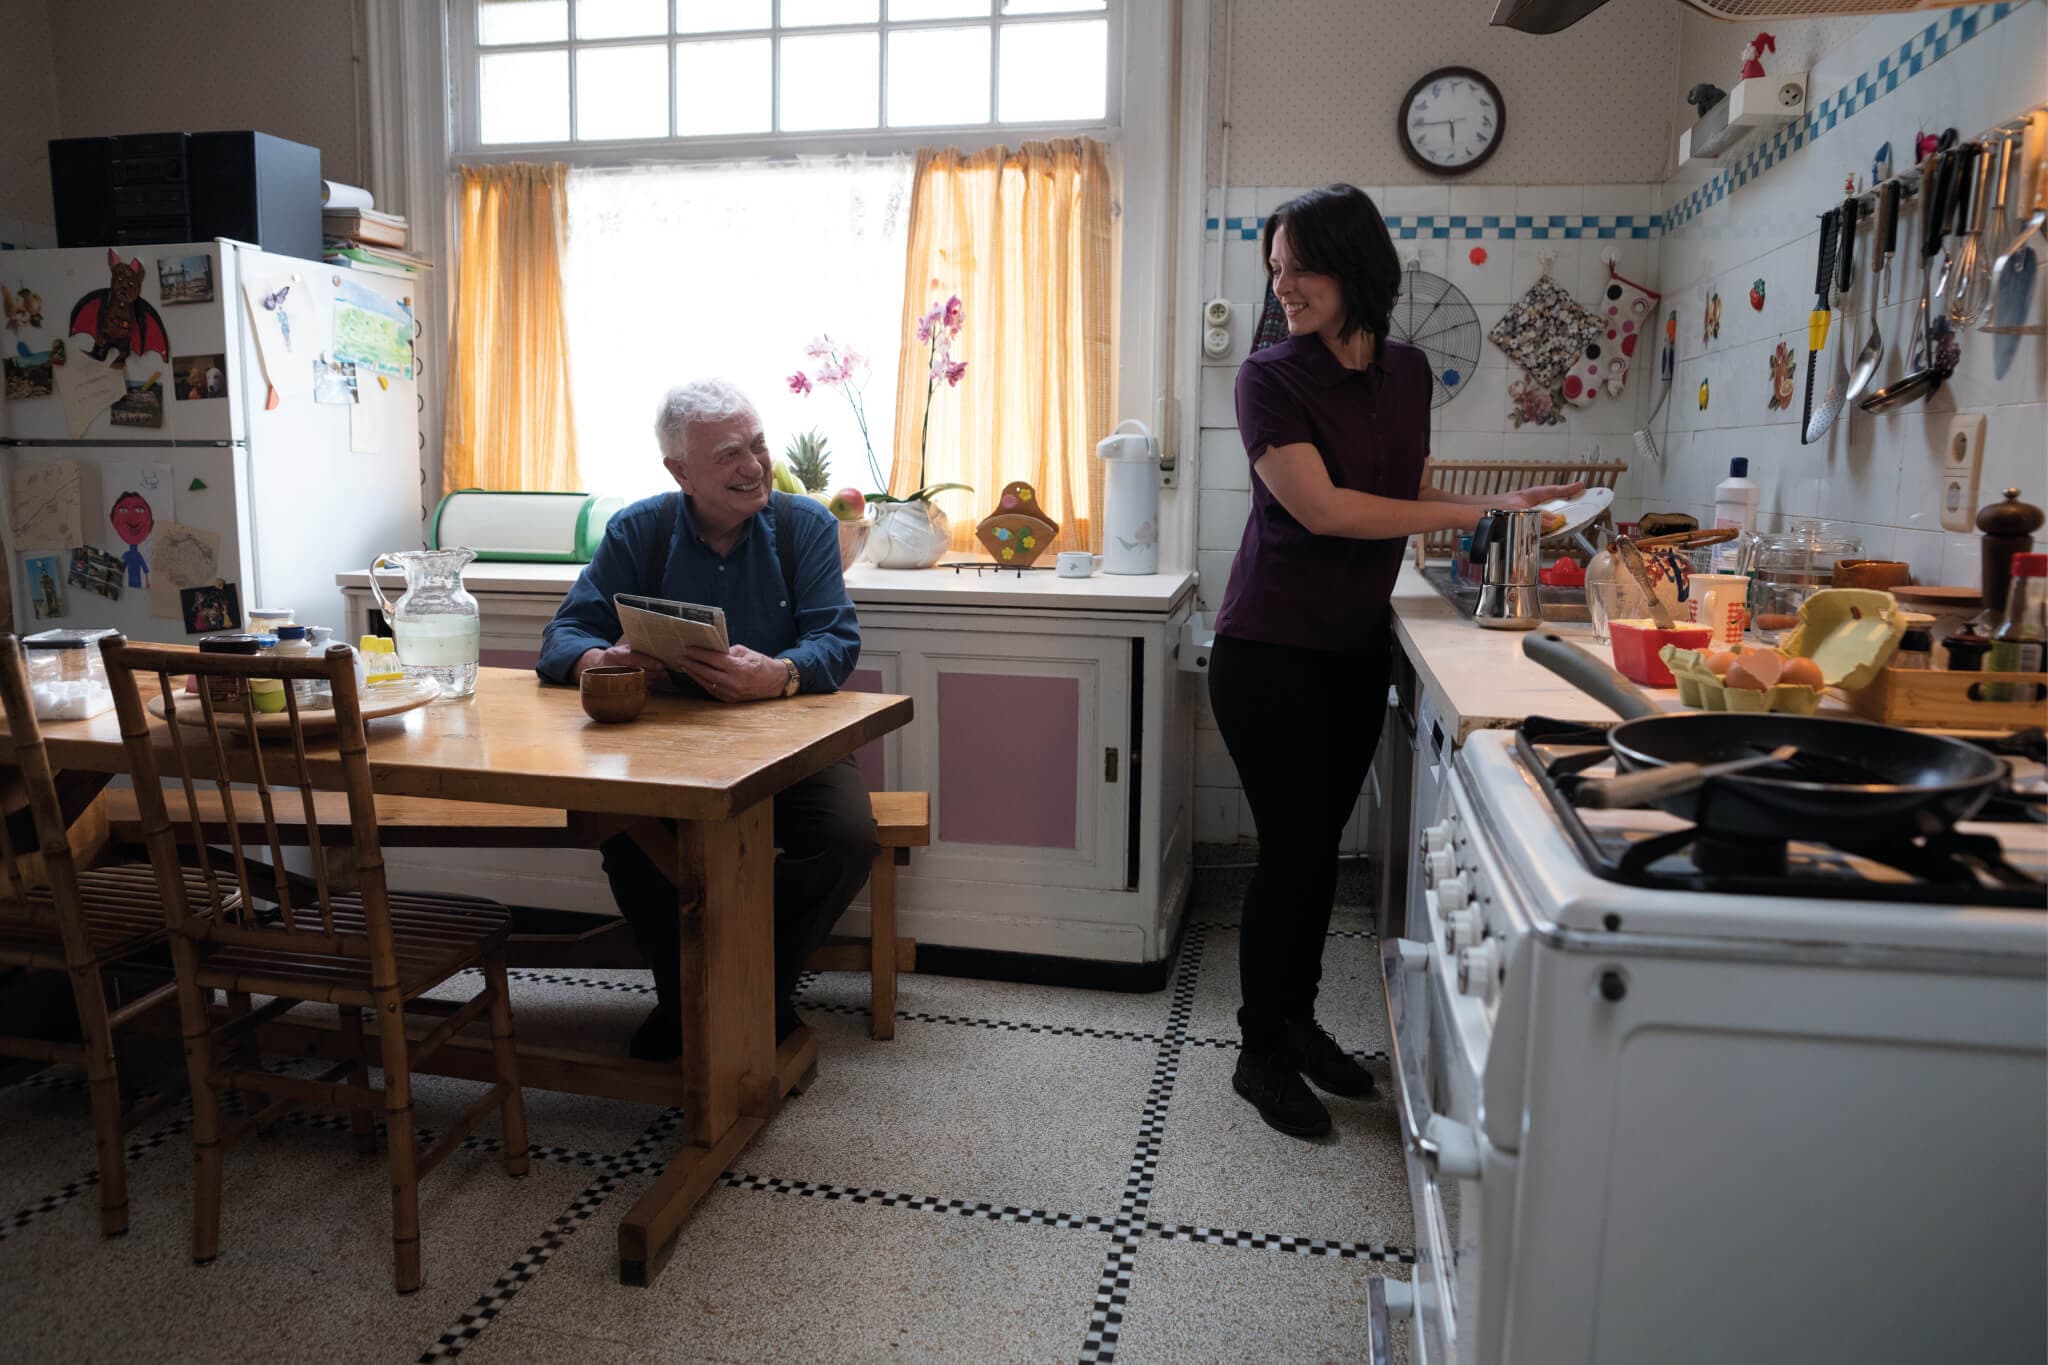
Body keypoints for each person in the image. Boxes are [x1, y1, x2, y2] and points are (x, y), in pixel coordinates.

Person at [1210, 185, 1581, 1140]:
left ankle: (1295, 1026)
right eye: (1276, 267)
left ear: (1356, 266)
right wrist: (1479, 517)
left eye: (1302, 265)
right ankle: (1260, 1050)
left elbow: (1401, 484)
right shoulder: (1267, 378)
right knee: (1290, 852)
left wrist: (1510, 499)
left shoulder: (1409, 370)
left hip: (1348, 646)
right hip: (1268, 651)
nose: (1283, 284)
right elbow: (1327, 508)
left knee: (1318, 851)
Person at [538, 378, 874, 1062]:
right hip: (666, 744)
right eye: (729, 454)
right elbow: (562, 636)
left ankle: (750, 992)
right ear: (679, 470)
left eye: (757, 445)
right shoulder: (640, 528)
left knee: (846, 835)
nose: (753, 465)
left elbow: (837, 641)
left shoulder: (805, 526)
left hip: (791, 739)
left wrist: (778, 673)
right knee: (629, 833)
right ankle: (689, 1001)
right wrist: (598, 659)